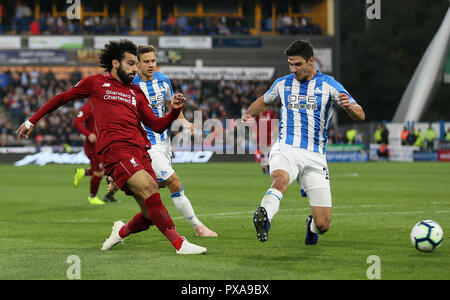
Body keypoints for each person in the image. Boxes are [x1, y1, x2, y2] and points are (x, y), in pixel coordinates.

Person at [16, 39, 206, 255]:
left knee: (148, 215)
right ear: (116, 63)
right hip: (116, 150)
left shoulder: (136, 93)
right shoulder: (96, 83)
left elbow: (156, 124)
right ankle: (179, 244)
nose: (136, 69)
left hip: (140, 150)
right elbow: (62, 98)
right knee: (151, 189)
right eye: (132, 63)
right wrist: (32, 120)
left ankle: (120, 232)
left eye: (137, 64)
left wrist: (173, 111)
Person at [242, 40, 365, 245]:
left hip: (315, 155)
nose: (293, 69)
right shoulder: (283, 84)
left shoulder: (329, 85)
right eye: (290, 64)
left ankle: (311, 226)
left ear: (311, 61)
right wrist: (248, 115)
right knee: (280, 179)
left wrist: (349, 108)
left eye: (297, 64)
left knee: (323, 224)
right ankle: (265, 217)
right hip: (286, 148)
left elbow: (360, 114)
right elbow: (264, 101)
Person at [133, 45, 217, 237]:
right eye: (146, 62)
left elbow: (171, 107)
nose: (150, 65)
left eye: (153, 61)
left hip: (164, 143)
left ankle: (122, 227)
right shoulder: (132, 86)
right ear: (138, 64)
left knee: (157, 186)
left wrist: (186, 123)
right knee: (174, 183)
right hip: (147, 145)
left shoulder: (163, 81)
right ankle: (198, 227)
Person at [72, 101, 118, 204]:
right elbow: (76, 123)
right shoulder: (88, 107)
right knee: (99, 172)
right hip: (93, 147)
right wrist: (88, 134)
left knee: (106, 169)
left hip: (103, 143)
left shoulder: (104, 104)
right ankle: (92, 197)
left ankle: (82, 172)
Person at [254, 109, 276, 174]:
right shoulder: (258, 113)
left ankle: (269, 167)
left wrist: (273, 132)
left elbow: (273, 124)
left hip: (269, 136)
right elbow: (255, 123)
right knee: (263, 153)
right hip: (260, 136)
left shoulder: (271, 113)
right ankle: (264, 169)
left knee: (270, 152)